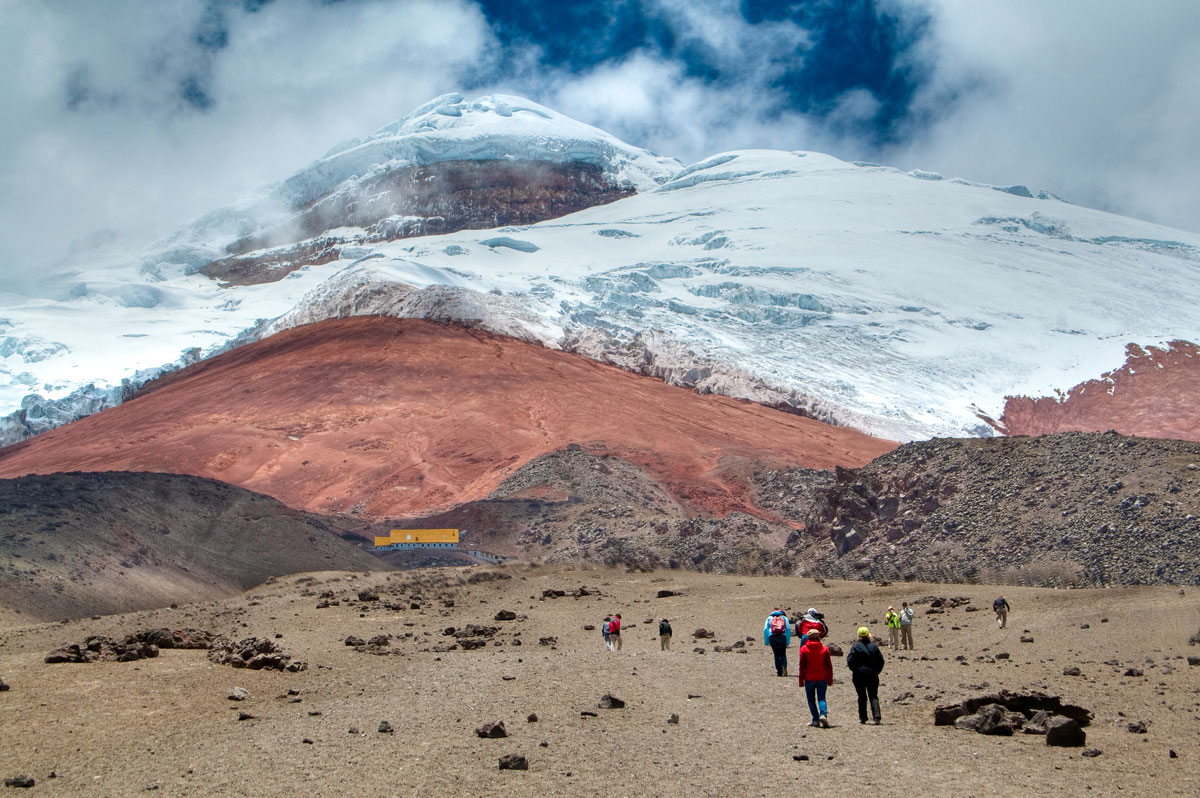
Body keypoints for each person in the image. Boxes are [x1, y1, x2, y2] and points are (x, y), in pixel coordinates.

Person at [846, 626, 885, 724]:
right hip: (872, 675)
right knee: (873, 696)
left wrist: (855, 670)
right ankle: (877, 717)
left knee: (862, 696)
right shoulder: (874, 646)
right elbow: (881, 661)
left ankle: (863, 717)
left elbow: (850, 660)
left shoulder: (855, 646)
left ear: (859, 635)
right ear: (868, 635)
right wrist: (876, 671)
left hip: (859, 675)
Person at [797, 628, 833, 728]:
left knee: (811, 700)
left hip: (809, 678)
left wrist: (801, 680)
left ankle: (815, 720)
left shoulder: (804, 649)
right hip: (822, 677)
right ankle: (823, 714)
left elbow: (802, 666)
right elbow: (829, 666)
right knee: (822, 698)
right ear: (818, 637)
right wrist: (830, 680)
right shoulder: (824, 649)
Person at [763, 608, 792, 676]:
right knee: (783, 654)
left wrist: (767, 642)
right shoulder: (784, 618)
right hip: (782, 636)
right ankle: (784, 667)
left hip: (772, 636)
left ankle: (779, 671)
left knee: (776, 654)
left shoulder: (769, 618)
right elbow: (788, 629)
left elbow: (765, 630)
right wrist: (787, 642)